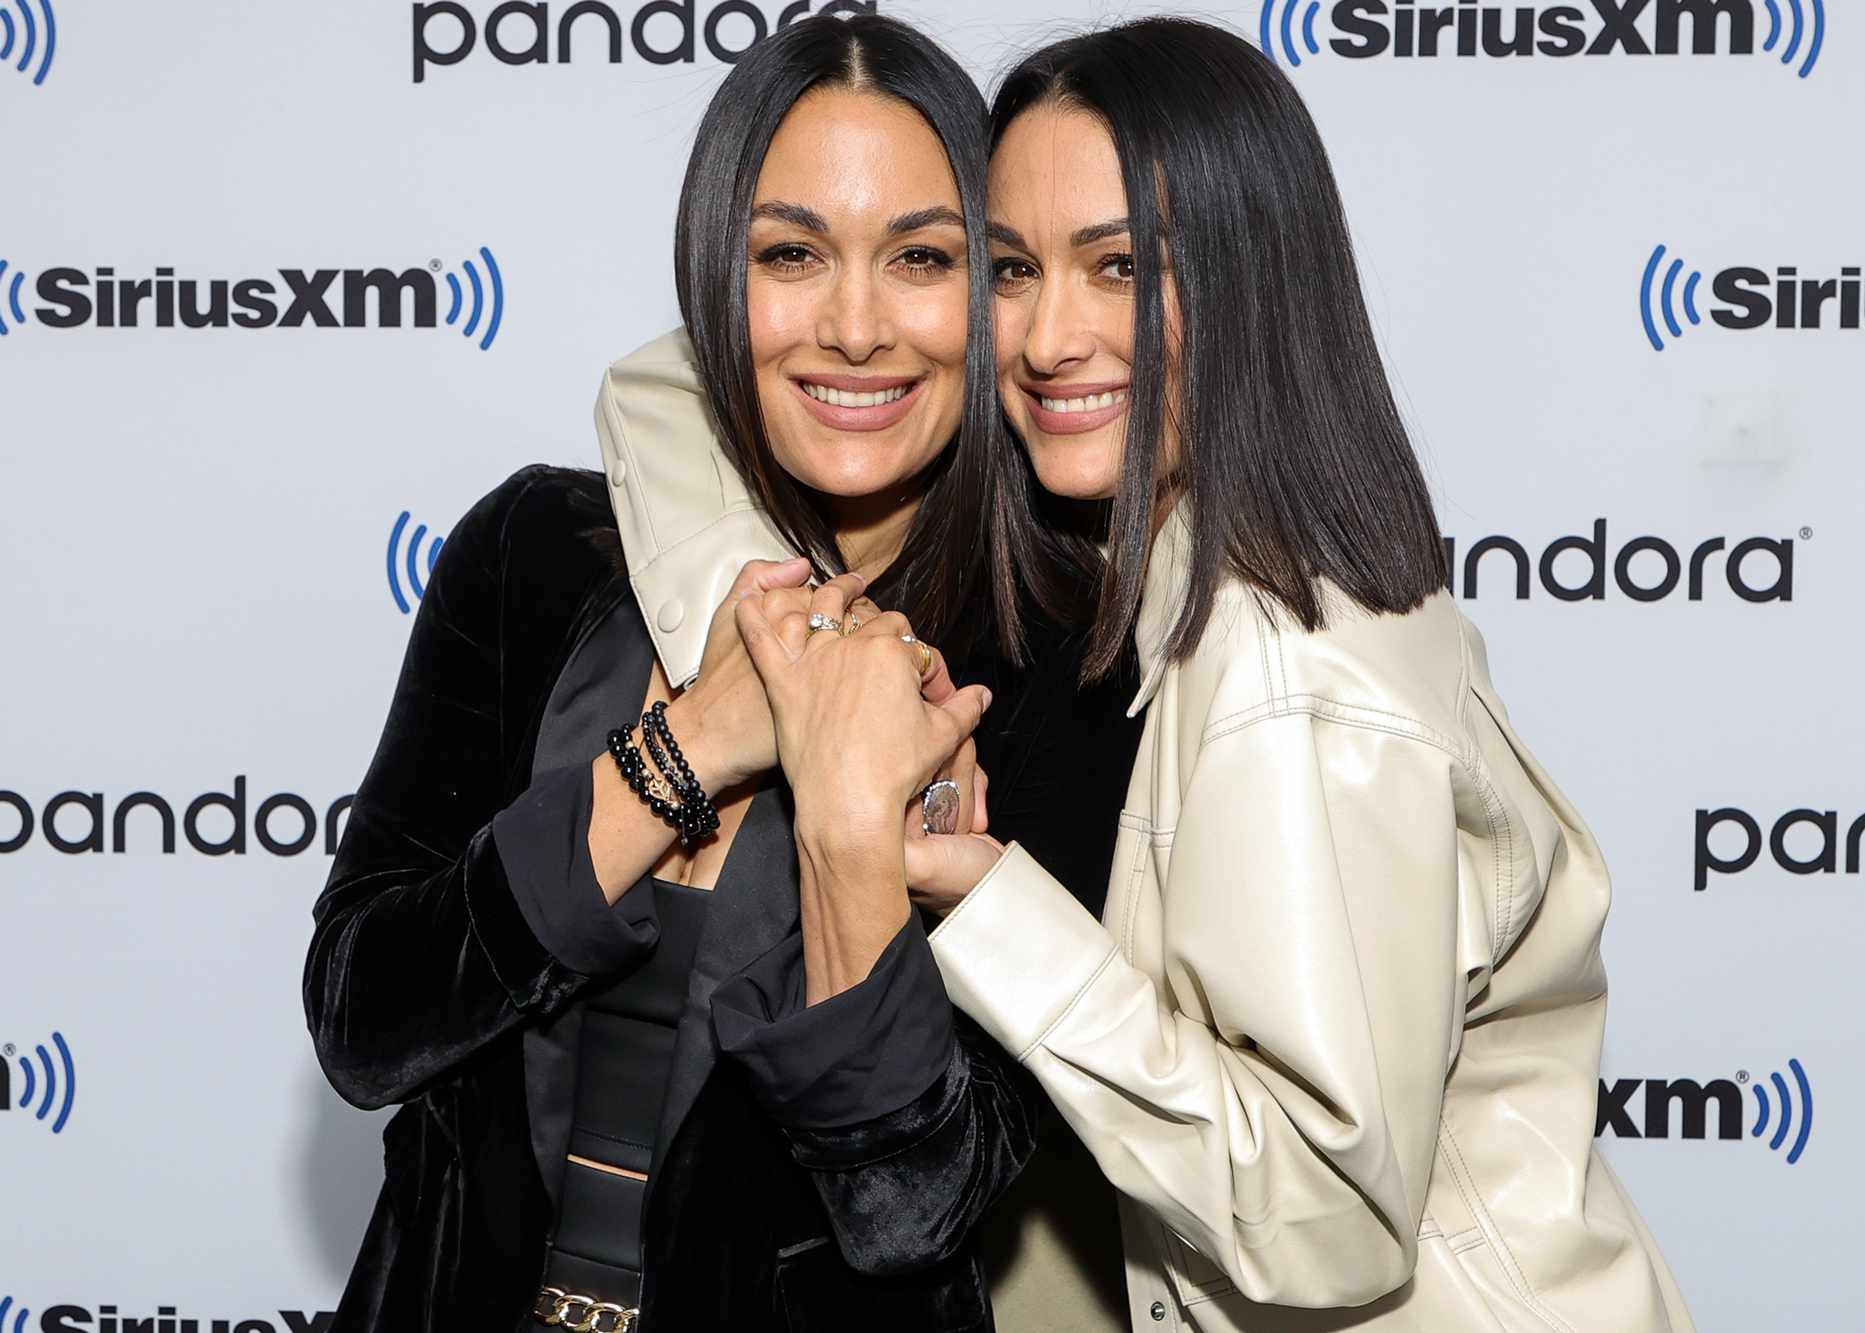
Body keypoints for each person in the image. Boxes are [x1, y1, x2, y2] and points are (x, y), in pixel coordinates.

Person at [733, 18, 1697, 1333]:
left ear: (1256, 275)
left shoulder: (1279, 665)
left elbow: (1325, 1220)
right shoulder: (1220, 574)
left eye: (1121, 267)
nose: (1048, 337)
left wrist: (1004, 910)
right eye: (1010, 269)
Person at [302, 15, 1138, 1331]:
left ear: (990, 292)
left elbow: (918, 1206)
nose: (855, 327)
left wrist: (858, 837)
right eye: (792, 253)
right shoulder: (535, 555)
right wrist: (697, 745)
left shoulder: (1053, 656)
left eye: (921, 257)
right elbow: (364, 1022)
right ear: (712, 271)